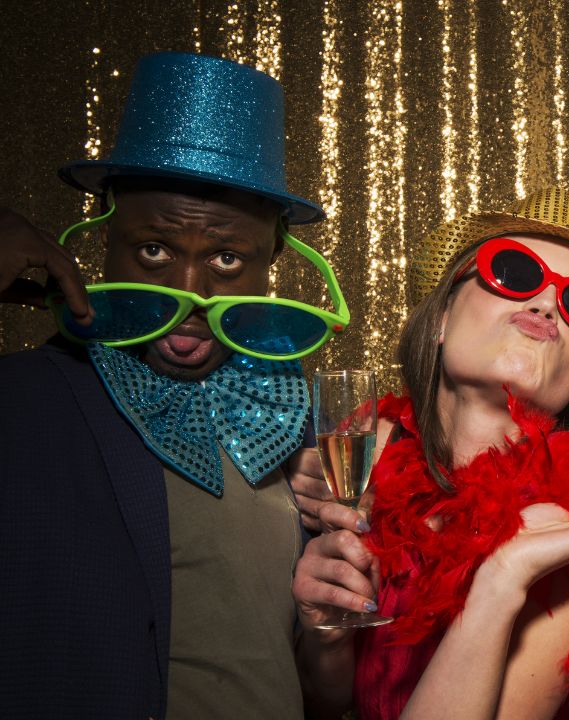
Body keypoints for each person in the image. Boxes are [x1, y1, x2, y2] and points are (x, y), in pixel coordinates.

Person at [0, 52, 339, 718]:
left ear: (274, 257)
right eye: (154, 249)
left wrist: (330, 622)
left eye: (226, 257)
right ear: (103, 238)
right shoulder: (24, 401)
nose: (189, 294)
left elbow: (323, 690)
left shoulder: (296, 426)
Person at [291, 186, 569, 720]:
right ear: (439, 322)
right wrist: (327, 635)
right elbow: (328, 702)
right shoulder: (366, 459)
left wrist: (504, 576)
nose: (547, 303)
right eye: (516, 272)